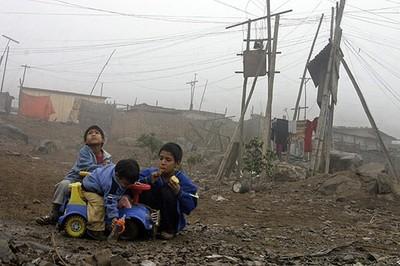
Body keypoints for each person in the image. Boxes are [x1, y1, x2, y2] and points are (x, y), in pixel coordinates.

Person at [36, 125, 112, 225]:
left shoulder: (107, 157)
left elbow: (109, 171)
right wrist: (103, 170)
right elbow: (87, 166)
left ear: (102, 140)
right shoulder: (84, 152)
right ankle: (54, 213)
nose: (93, 134)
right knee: (64, 184)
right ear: (86, 141)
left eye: (97, 133)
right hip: (77, 179)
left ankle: (103, 217)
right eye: (90, 133)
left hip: (95, 182)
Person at [139, 142, 198, 240]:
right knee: (147, 187)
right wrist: (148, 180)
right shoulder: (151, 173)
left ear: (177, 163)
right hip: (151, 211)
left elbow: (190, 206)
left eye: (168, 160)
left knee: (167, 191)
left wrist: (179, 192)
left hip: (170, 218)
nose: (163, 162)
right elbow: (133, 181)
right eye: (161, 158)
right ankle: (147, 224)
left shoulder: (183, 180)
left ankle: (169, 229)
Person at [81, 159, 140, 240]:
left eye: (130, 184)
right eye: (125, 184)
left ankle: (106, 224)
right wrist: (113, 217)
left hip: (102, 186)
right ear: (117, 175)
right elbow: (110, 202)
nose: (127, 186)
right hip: (91, 189)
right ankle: (95, 229)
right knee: (99, 204)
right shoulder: (111, 185)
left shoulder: (121, 173)